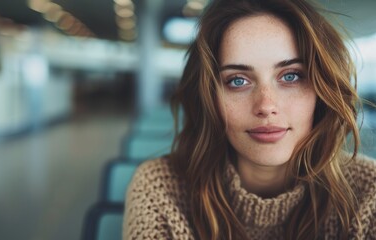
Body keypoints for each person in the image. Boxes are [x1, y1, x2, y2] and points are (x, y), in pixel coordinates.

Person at [123, 0, 376, 239]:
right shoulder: (160, 188)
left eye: (290, 76)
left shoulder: (369, 192)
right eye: (238, 81)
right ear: (208, 98)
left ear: (321, 90)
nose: (266, 106)